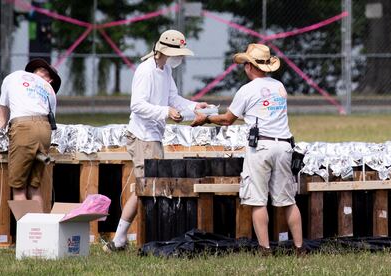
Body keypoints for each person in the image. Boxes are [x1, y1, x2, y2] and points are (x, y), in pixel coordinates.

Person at [191, 44, 303, 254]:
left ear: (251, 66)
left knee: (258, 200)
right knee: (288, 201)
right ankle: (299, 247)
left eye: (245, 64)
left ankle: (265, 248)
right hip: (284, 145)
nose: (244, 67)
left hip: (261, 147)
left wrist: (206, 118)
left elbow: (226, 120)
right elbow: (263, 111)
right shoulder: (279, 87)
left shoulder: (246, 90)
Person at [103, 29, 208, 252]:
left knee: (145, 186)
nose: (179, 58)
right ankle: (125, 239)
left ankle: (120, 240)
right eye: (176, 53)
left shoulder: (166, 69)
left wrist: (194, 106)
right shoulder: (145, 71)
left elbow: (173, 98)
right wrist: (165, 112)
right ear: (163, 51)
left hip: (154, 137)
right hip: (142, 137)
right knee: (146, 186)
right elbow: (137, 105)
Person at [0, 58, 61, 210]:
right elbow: (52, 122)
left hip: (23, 128)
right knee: (34, 186)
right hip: (44, 131)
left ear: (50, 80)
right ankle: (40, 231)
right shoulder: (49, 91)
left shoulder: (14, 77)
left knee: (18, 187)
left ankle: (27, 233)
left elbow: (2, 118)